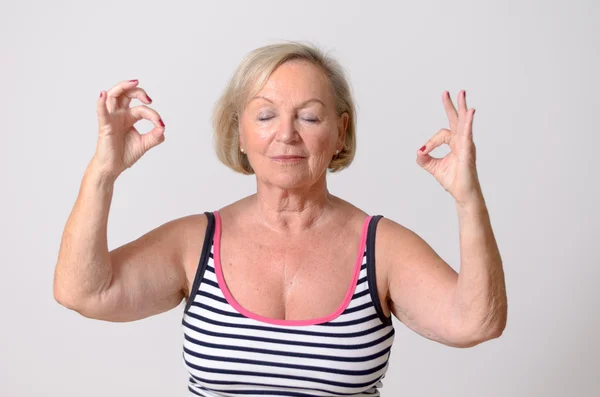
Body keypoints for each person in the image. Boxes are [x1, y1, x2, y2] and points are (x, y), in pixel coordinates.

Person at [53, 41, 507, 396]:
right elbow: (83, 292)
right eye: (266, 114)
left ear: (340, 132)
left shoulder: (382, 247)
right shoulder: (195, 242)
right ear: (241, 134)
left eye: (309, 116)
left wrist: (469, 199)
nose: (286, 134)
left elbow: (477, 322)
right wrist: (103, 172)